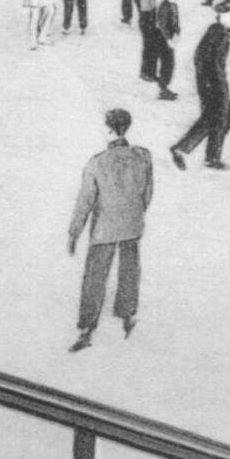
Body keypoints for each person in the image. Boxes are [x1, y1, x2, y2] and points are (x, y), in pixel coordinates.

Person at [67, 108, 153, 353]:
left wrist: (74, 232)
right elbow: (147, 193)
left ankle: (87, 327)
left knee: (95, 275)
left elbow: (85, 201)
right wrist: (135, 212)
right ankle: (127, 314)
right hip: (132, 223)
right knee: (129, 270)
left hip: (105, 227)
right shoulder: (143, 156)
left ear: (108, 129)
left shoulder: (97, 162)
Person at [171, 2, 230, 170]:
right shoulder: (221, 35)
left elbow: (199, 58)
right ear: (224, 15)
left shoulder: (216, 30)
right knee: (217, 118)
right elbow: (209, 61)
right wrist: (217, 82)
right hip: (215, 83)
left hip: (208, 82)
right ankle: (207, 156)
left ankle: (197, 153)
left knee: (212, 119)